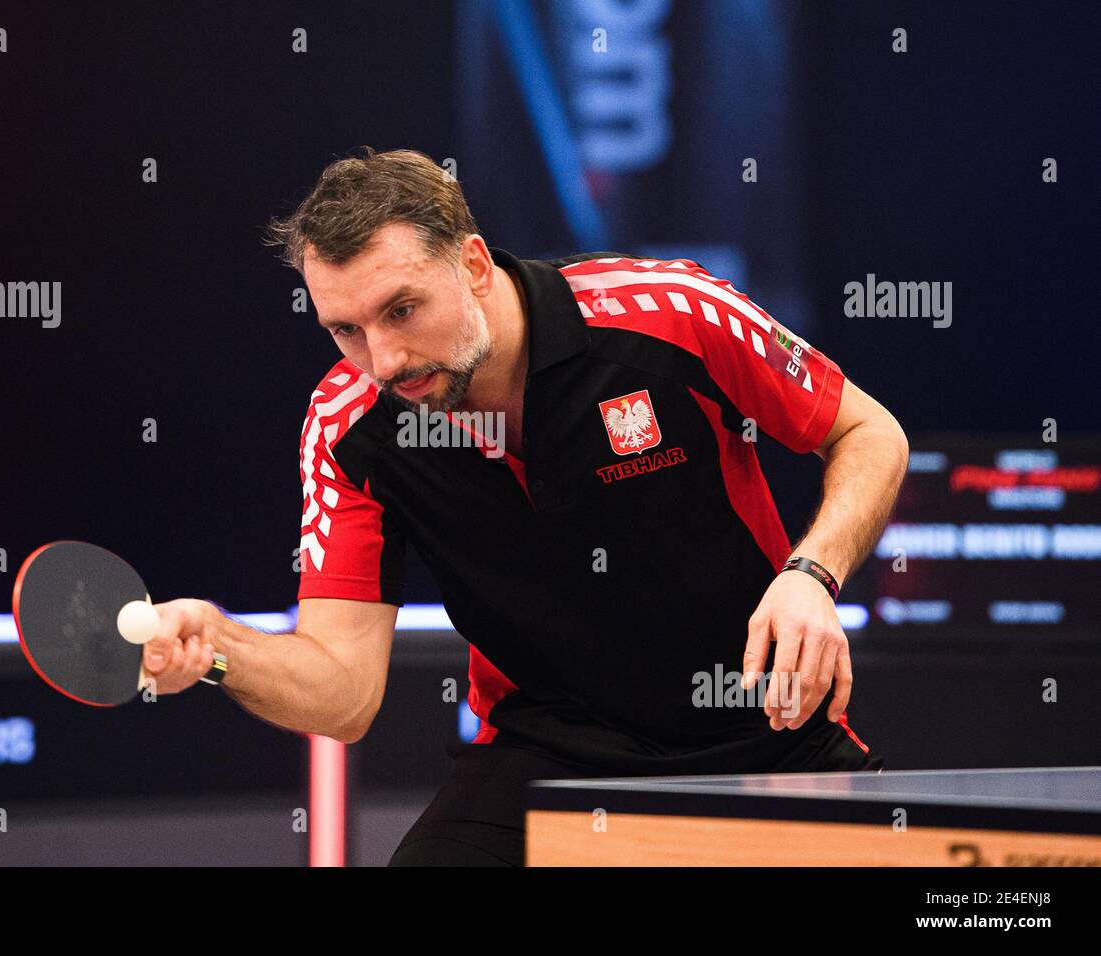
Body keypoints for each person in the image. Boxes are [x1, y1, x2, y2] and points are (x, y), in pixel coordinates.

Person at [142, 147, 908, 866]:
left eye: (402, 310)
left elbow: (869, 431)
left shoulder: (670, 314)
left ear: (473, 264)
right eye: (346, 330)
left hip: (765, 733)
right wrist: (217, 649)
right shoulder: (351, 431)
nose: (383, 360)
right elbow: (343, 695)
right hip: (548, 756)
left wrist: (813, 573)